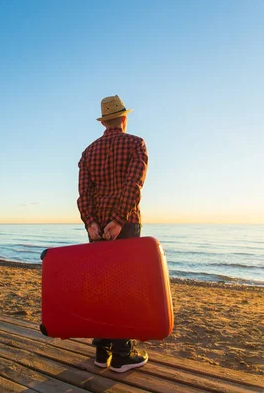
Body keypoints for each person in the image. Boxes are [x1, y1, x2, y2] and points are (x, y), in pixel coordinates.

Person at [77, 94, 150, 373]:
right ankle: (121, 354)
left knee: (101, 285)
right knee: (123, 287)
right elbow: (134, 185)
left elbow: (85, 194)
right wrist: (119, 221)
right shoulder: (135, 144)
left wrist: (90, 223)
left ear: (103, 122)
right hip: (126, 223)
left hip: (96, 228)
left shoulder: (88, 152)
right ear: (123, 118)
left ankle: (101, 350)